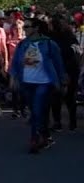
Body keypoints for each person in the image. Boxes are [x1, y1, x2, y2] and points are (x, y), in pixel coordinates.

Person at [10, 15, 67, 153]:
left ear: (36, 28)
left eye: (27, 27)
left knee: (37, 110)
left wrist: (62, 80)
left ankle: (34, 139)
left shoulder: (48, 43)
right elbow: (16, 62)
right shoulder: (23, 44)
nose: (24, 29)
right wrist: (13, 77)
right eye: (24, 27)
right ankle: (45, 135)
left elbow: (58, 63)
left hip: (44, 82)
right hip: (27, 82)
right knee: (35, 112)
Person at [48, 13, 79, 132]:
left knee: (57, 96)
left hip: (61, 68)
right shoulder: (70, 36)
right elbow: (75, 52)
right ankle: (72, 122)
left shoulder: (53, 38)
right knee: (69, 96)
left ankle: (58, 122)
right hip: (69, 68)